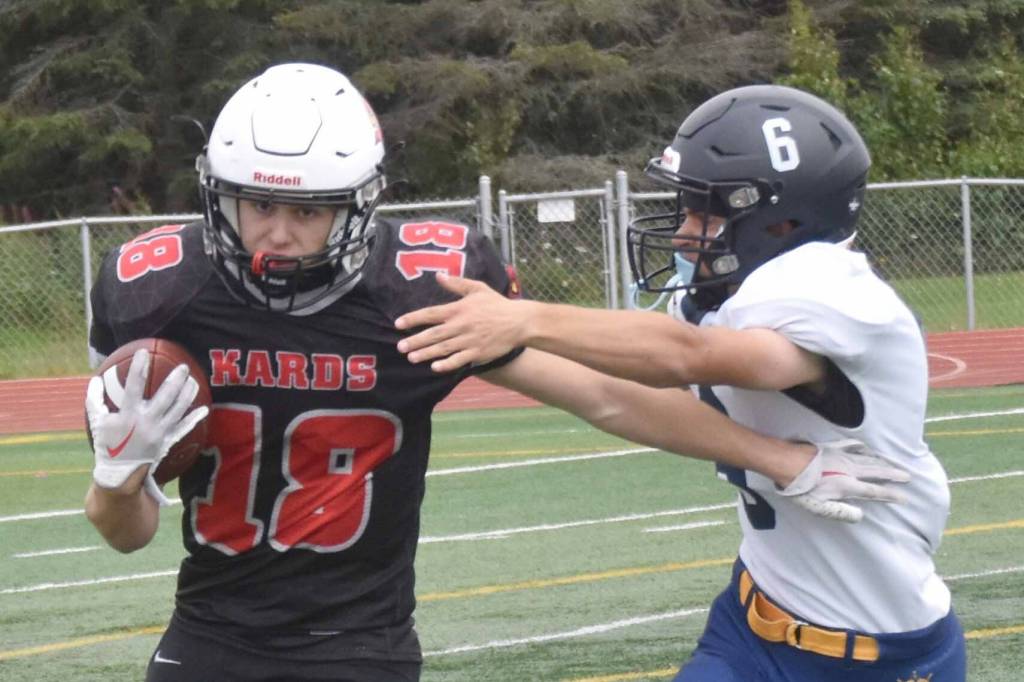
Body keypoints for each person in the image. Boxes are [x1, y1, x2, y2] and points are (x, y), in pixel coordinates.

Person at [83, 67, 909, 682]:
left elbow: (606, 397)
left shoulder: (417, 291)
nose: (278, 234)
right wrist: (117, 479)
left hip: (358, 647)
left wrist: (779, 459)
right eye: (256, 204)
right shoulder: (156, 293)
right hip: (205, 636)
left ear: (362, 204)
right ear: (216, 194)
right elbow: (127, 528)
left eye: (309, 211)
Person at [395, 84, 964, 681]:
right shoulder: (731, 294)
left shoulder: (831, 287)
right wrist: (489, 350)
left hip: (883, 655)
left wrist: (526, 317)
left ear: (780, 220)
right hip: (751, 627)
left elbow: (691, 357)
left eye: (706, 211)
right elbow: (616, 398)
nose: (683, 232)